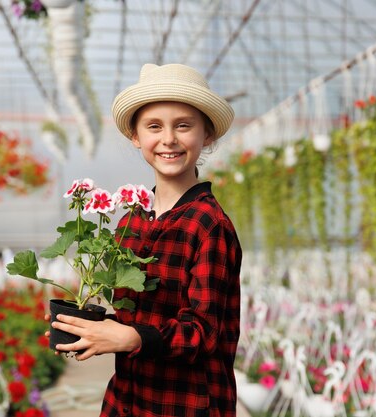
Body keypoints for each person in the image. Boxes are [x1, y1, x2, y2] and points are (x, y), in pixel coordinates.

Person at [46, 63, 242, 417]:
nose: (169, 139)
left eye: (183, 125)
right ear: (135, 137)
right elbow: (136, 311)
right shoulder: (130, 222)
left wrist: (130, 337)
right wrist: (94, 327)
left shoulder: (209, 225)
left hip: (188, 403)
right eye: (154, 126)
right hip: (129, 397)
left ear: (207, 135)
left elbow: (204, 331)